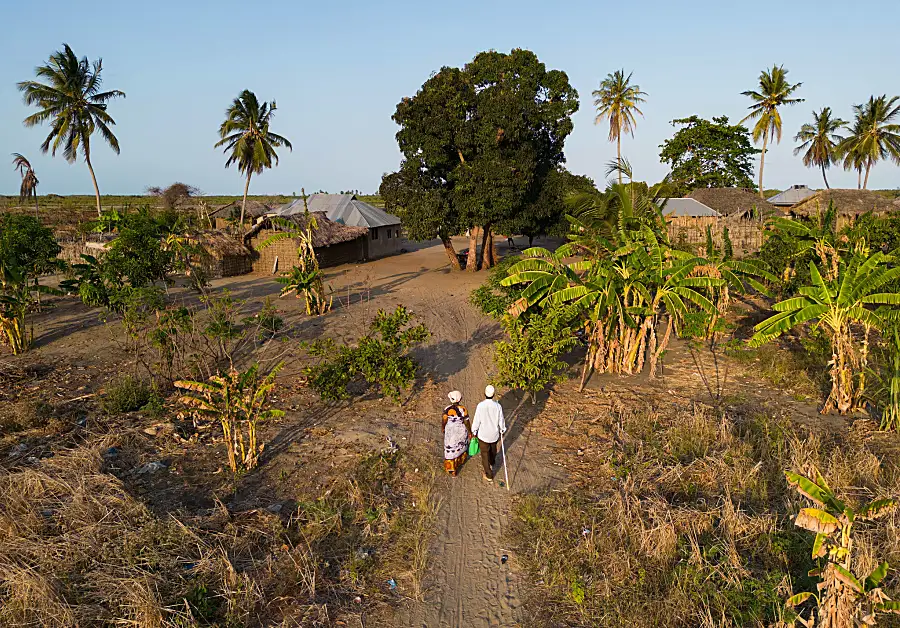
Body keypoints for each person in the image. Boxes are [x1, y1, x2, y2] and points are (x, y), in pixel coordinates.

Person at [471, 385, 506, 482]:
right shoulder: (498, 406)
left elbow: (477, 420)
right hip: (494, 434)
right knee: (493, 449)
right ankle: (492, 461)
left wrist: (474, 431)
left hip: (483, 435)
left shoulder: (480, 406)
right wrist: (502, 428)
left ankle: (489, 474)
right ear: (493, 394)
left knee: (484, 454)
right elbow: (501, 419)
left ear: (484, 394)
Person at [442, 391, 471, 477]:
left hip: (450, 431)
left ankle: (451, 468)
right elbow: (466, 421)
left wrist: (443, 427)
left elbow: (444, 420)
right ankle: (458, 462)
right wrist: (470, 431)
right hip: (460, 431)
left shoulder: (446, 409)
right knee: (460, 446)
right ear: (460, 399)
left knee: (450, 448)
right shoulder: (463, 409)